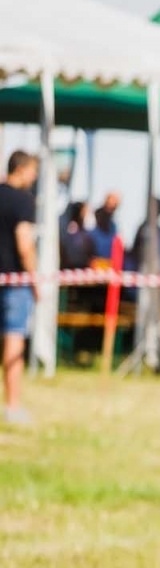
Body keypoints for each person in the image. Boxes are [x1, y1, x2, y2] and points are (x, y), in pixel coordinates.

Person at [0, 150, 38, 426]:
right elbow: (24, 244)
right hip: (14, 282)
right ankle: (13, 407)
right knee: (14, 340)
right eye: (33, 171)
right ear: (22, 169)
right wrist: (34, 280)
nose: (34, 177)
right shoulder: (24, 201)